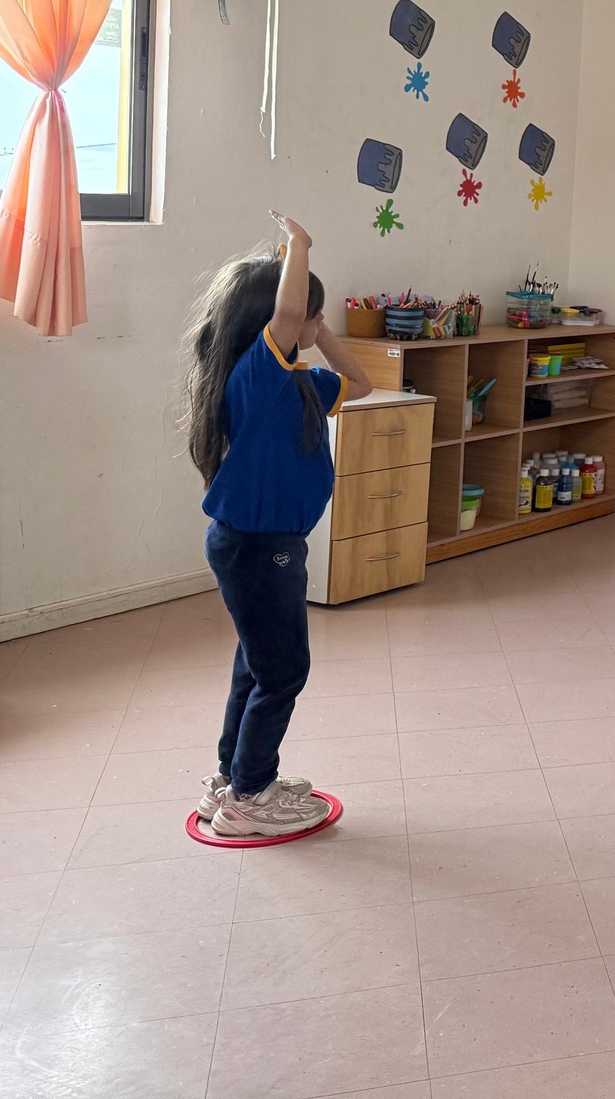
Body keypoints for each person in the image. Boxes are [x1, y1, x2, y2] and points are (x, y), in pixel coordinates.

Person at [182, 215, 370, 838]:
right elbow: (287, 317)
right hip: (259, 549)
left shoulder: (303, 381)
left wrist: (323, 335)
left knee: (256, 663)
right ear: (277, 322)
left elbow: (366, 384)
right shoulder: (256, 378)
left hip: (269, 548)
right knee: (284, 670)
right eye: (307, 316)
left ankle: (231, 778)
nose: (311, 325)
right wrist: (300, 247)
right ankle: (252, 795)